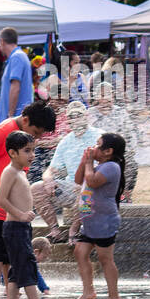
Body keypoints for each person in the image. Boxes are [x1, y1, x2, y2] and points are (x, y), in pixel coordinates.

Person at [0, 101, 57, 299]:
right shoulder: (6, 129)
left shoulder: (22, 137)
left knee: (11, 254)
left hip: (11, 207)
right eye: (36, 132)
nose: (37, 138)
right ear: (25, 120)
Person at [0, 132, 52, 299]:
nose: (32, 155)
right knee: (27, 268)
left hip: (21, 228)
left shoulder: (20, 172)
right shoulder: (10, 172)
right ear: (12, 153)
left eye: (33, 150)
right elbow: (0, 199)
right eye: (27, 150)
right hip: (14, 227)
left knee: (15, 272)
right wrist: (20, 214)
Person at [30, 103, 102, 246]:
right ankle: (55, 231)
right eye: (71, 117)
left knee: (86, 190)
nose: (75, 119)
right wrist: (48, 179)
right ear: (67, 120)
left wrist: (86, 182)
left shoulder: (99, 136)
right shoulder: (66, 141)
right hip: (71, 187)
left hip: (94, 186)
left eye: (79, 116)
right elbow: (50, 169)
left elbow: (106, 166)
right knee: (36, 188)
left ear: (86, 117)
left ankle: (74, 231)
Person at [72, 133, 126, 299]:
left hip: (104, 220)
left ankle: (114, 296)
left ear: (108, 151)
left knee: (105, 259)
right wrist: (84, 161)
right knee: (80, 252)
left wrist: (89, 164)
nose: (93, 147)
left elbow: (92, 182)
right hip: (90, 220)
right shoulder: (99, 165)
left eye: (97, 145)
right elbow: (79, 180)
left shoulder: (111, 167)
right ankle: (88, 291)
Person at [0, 28, 32, 120]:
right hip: (18, 118)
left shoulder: (16, 57)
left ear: (2, 41)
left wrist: (10, 116)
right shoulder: (19, 56)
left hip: (16, 119)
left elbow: (15, 87)